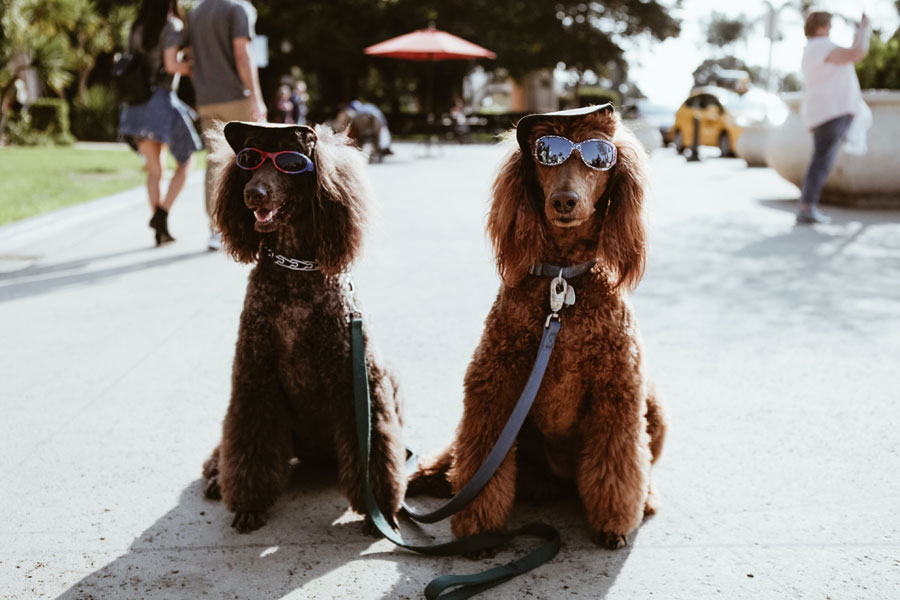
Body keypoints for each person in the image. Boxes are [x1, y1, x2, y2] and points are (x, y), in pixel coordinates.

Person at [118, 0, 202, 246]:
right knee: (186, 162)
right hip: (161, 102)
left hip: (136, 102)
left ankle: (160, 228)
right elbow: (171, 65)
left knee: (155, 170)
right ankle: (162, 214)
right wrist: (193, 66)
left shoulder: (138, 25)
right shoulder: (172, 25)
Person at [185, 0, 266, 250]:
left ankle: (216, 229)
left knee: (214, 161)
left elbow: (189, 57)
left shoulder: (195, 12)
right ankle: (251, 224)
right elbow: (243, 55)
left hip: (206, 100)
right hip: (235, 96)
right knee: (251, 158)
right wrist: (257, 98)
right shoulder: (238, 8)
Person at [797, 11, 871, 225]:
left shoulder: (815, 47)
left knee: (821, 160)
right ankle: (806, 208)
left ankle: (807, 207)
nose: (830, 28)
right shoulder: (820, 46)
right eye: (828, 24)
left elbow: (851, 52)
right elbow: (857, 52)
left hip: (827, 112)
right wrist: (864, 29)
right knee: (821, 161)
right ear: (820, 26)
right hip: (830, 113)